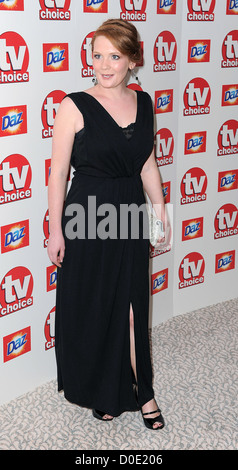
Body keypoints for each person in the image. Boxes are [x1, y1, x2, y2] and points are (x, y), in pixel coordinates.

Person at [47, 18, 166, 430]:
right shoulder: (73, 104)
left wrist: (160, 211)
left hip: (130, 215)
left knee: (133, 310)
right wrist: (55, 229)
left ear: (133, 59)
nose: (104, 64)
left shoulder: (145, 102)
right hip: (87, 217)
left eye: (114, 55)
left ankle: (143, 392)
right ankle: (103, 390)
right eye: (97, 54)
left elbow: (146, 161)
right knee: (95, 309)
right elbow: (58, 172)